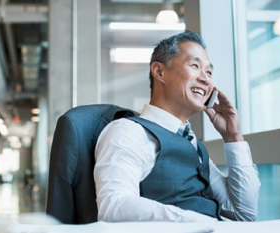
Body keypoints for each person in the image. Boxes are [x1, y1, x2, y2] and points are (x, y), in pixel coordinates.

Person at [94, 30, 261, 222]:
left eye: (208, 72)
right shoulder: (129, 132)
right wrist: (198, 221)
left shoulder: (192, 144)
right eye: (195, 66)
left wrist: (233, 137)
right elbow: (113, 205)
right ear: (159, 72)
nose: (206, 79)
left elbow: (244, 213)